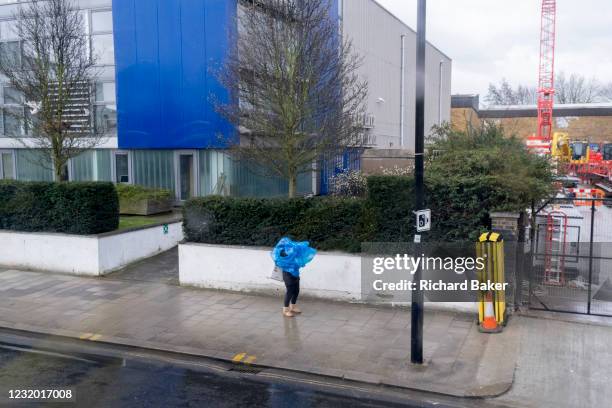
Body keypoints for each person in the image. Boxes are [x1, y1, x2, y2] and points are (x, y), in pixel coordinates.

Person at [272, 238, 316, 318]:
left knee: (296, 291)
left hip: (295, 273)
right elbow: (282, 259)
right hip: (288, 275)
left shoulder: (293, 251)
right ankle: (285, 309)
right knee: (290, 291)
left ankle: (293, 306)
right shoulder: (282, 253)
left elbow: (299, 257)